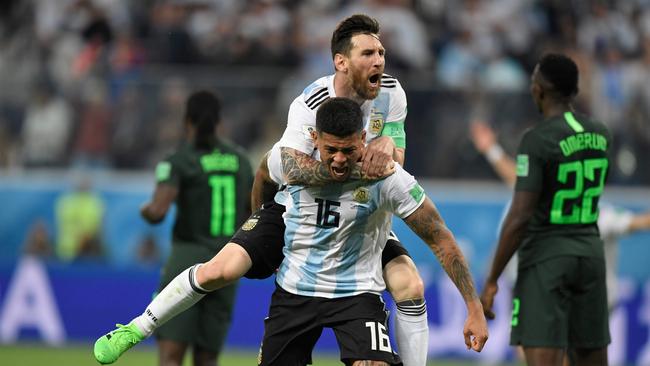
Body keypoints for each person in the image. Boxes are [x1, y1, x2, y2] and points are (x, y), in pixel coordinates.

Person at [94, 14, 428, 365]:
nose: (379, 61)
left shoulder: (391, 92)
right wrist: (261, 215)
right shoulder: (309, 105)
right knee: (220, 270)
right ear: (341, 62)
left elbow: (396, 162)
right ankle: (137, 326)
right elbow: (275, 166)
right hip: (298, 211)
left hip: (360, 217)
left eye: (381, 52)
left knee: (411, 286)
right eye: (368, 53)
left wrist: (388, 149)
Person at [259, 97, 488, 365]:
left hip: (356, 293)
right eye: (331, 149)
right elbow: (263, 175)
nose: (340, 160)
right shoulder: (290, 161)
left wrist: (474, 308)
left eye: (349, 150)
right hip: (295, 291)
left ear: (363, 138)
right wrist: (265, 234)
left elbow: (439, 237)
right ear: (314, 138)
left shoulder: (386, 177)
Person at [96, 90, 253, 366]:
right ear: (219, 121)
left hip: (187, 257)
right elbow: (252, 211)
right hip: (228, 260)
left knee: (171, 354)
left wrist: (144, 208)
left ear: (187, 121)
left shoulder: (177, 160)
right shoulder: (240, 160)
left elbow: (157, 213)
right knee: (207, 358)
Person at [480, 53, 612, 366]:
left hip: (546, 259)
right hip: (591, 256)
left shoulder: (537, 140)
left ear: (539, 89)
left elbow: (520, 216)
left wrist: (493, 278)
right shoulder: (601, 134)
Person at [470, 120, 650, 309]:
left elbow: (639, 222)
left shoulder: (600, 216)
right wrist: (491, 150)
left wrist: (492, 150)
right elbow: (518, 180)